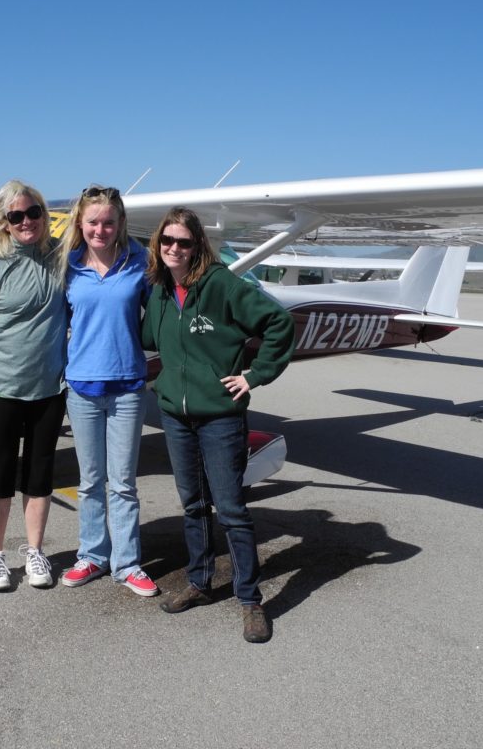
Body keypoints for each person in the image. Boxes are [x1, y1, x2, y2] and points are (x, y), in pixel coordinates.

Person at [140, 207, 294, 643]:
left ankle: (250, 600)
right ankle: (200, 581)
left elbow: (278, 322)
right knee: (193, 504)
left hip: (221, 416)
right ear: (158, 243)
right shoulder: (160, 290)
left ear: (197, 246)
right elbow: (149, 337)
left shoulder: (221, 284)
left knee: (231, 509)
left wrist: (254, 375)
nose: (174, 248)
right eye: (167, 240)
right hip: (175, 415)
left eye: (183, 242)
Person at [0, 180, 68, 592]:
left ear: (43, 214)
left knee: (40, 473)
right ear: (5, 221)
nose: (26, 221)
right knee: (0, 471)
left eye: (33, 212)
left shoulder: (59, 258)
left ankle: (35, 550)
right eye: (16, 215)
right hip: (3, 386)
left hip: (50, 387)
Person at [56, 186, 158, 597]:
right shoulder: (67, 266)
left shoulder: (140, 262)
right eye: (93, 222)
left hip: (128, 386)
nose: (101, 229)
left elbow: (163, 312)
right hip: (82, 387)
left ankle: (127, 563)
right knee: (90, 480)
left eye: (109, 222)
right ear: (81, 223)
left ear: (121, 224)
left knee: (123, 483)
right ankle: (93, 555)